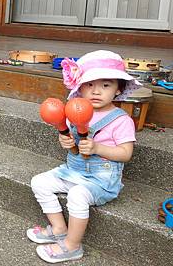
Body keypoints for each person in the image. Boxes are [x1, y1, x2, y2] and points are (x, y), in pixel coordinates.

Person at [27, 50, 142, 263]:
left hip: (101, 181)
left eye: (106, 85)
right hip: (74, 170)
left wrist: (98, 148)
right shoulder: (75, 111)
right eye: (89, 84)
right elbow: (72, 146)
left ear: (119, 89)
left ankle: (72, 246)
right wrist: (66, 141)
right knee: (39, 182)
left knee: (77, 195)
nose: (96, 91)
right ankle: (59, 228)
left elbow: (126, 154)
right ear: (80, 87)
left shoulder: (121, 120)